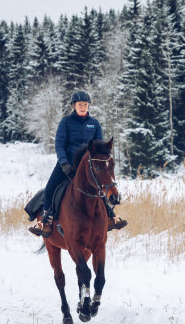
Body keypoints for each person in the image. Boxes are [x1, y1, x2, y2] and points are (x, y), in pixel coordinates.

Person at [29, 90, 119, 238]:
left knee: (102, 185)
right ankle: (45, 221)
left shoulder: (94, 124)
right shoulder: (66, 122)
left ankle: (111, 216)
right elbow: (59, 144)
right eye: (80, 104)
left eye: (85, 104)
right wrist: (63, 163)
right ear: (74, 106)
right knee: (51, 187)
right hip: (68, 164)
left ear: (88, 106)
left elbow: (100, 147)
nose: (83, 107)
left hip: (89, 167)